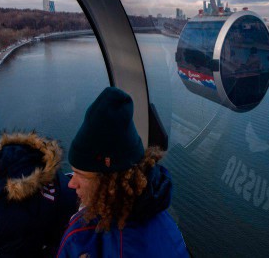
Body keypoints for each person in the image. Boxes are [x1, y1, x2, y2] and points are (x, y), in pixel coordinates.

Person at [57, 87, 189, 257]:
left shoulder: (85, 239)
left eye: (81, 175)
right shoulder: (165, 223)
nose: (71, 183)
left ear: (107, 180)